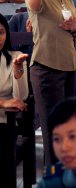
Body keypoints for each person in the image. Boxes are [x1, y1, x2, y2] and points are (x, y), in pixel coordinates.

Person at [25, 0, 76, 164]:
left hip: (69, 66)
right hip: (46, 68)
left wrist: (74, 28)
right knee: (52, 129)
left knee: (68, 127)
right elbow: (34, 6)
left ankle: (68, 174)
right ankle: (53, 177)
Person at [0, 13, 28, 184]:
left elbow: (21, 97)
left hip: (5, 122)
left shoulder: (15, 56)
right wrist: (2, 102)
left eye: (1, 32)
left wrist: (18, 71)